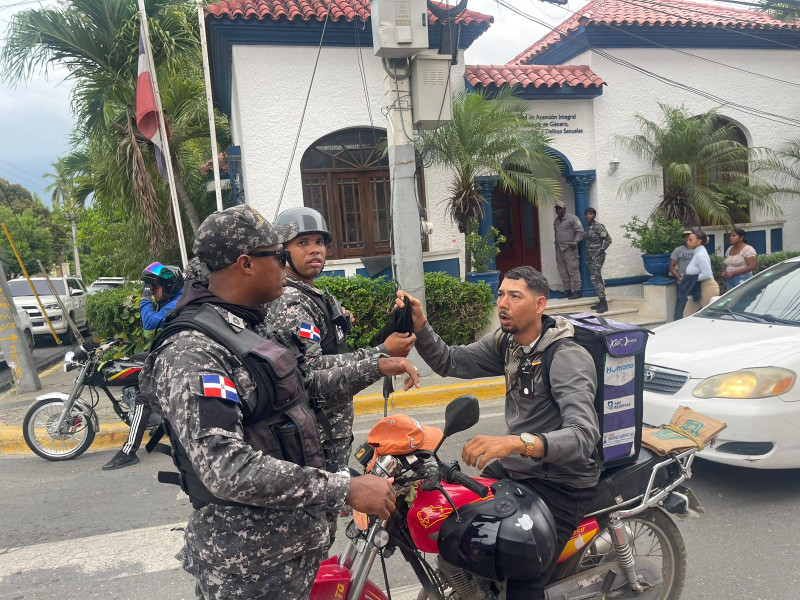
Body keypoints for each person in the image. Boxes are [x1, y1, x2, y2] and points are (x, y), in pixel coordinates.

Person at [138, 205, 419, 600]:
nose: (285, 265)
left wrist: (375, 363)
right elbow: (227, 468)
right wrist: (342, 489)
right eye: (278, 255)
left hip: (286, 557)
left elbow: (305, 380)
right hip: (249, 569)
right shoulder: (193, 351)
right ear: (246, 264)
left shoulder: (247, 324)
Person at [396, 266, 599, 600]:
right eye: (501, 294)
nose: (503, 303)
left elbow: (583, 435)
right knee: (463, 530)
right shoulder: (508, 343)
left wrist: (512, 443)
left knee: (524, 576)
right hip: (516, 470)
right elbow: (451, 361)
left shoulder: (566, 356)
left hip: (562, 482)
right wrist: (421, 326)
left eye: (515, 296)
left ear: (539, 305)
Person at [265, 206, 416, 546]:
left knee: (323, 537)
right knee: (312, 542)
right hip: (309, 443)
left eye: (320, 242)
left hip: (327, 441)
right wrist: (379, 358)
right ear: (282, 251)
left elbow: (334, 358)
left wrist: (385, 340)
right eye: (302, 242)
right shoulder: (291, 303)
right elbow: (310, 377)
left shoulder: (315, 294)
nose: (315, 249)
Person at [101, 262, 184, 470]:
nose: (152, 292)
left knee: (144, 397)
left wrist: (145, 299)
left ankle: (129, 451)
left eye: (154, 287)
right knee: (129, 362)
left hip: (178, 357)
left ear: (168, 286)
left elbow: (149, 322)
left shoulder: (177, 304)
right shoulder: (177, 298)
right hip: (172, 351)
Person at [683, 231, 719, 317]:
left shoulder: (700, 255)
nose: (688, 241)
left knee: (710, 316)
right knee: (687, 315)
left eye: (691, 240)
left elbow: (706, 274)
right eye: (687, 240)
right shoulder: (697, 253)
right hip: (697, 288)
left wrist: (689, 279)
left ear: (698, 242)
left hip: (707, 287)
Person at [553, 201, 584, 299]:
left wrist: (575, 242)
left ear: (564, 209)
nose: (558, 210)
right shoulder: (556, 221)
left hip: (570, 248)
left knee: (573, 269)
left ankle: (577, 291)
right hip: (559, 248)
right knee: (562, 270)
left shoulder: (573, 218)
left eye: (560, 208)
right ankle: (567, 290)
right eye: (557, 208)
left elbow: (580, 232)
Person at [583, 208, 612, 313]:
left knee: (594, 278)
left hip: (597, 257)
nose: (588, 216)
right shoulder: (588, 228)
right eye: (586, 214)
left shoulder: (599, 227)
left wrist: (600, 250)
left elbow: (608, 240)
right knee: (598, 278)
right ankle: (601, 300)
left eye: (590, 214)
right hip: (590, 257)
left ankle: (604, 303)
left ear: (594, 215)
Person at [670, 229, 696, 321]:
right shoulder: (678, 250)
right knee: (681, 306)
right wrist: (679, 278)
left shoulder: (699, 249)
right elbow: (672, 267)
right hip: (684, 283)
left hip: (697, 283)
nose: (686, 239)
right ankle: (677, 326)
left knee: (697, 306)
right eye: (685, 237)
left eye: (689, 237)